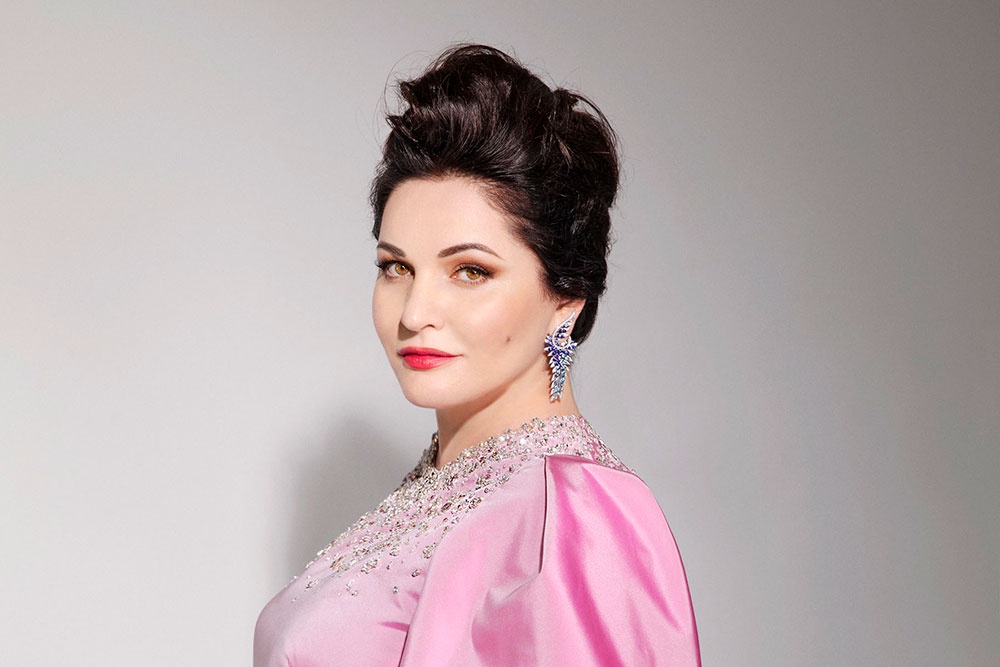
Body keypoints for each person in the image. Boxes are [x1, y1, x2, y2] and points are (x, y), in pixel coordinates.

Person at [254, 44, 700, 666]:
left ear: (566, 298)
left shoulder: (573, 514)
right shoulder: (444, 485)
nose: (415, 313)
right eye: (396, 268)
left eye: (470, 271)